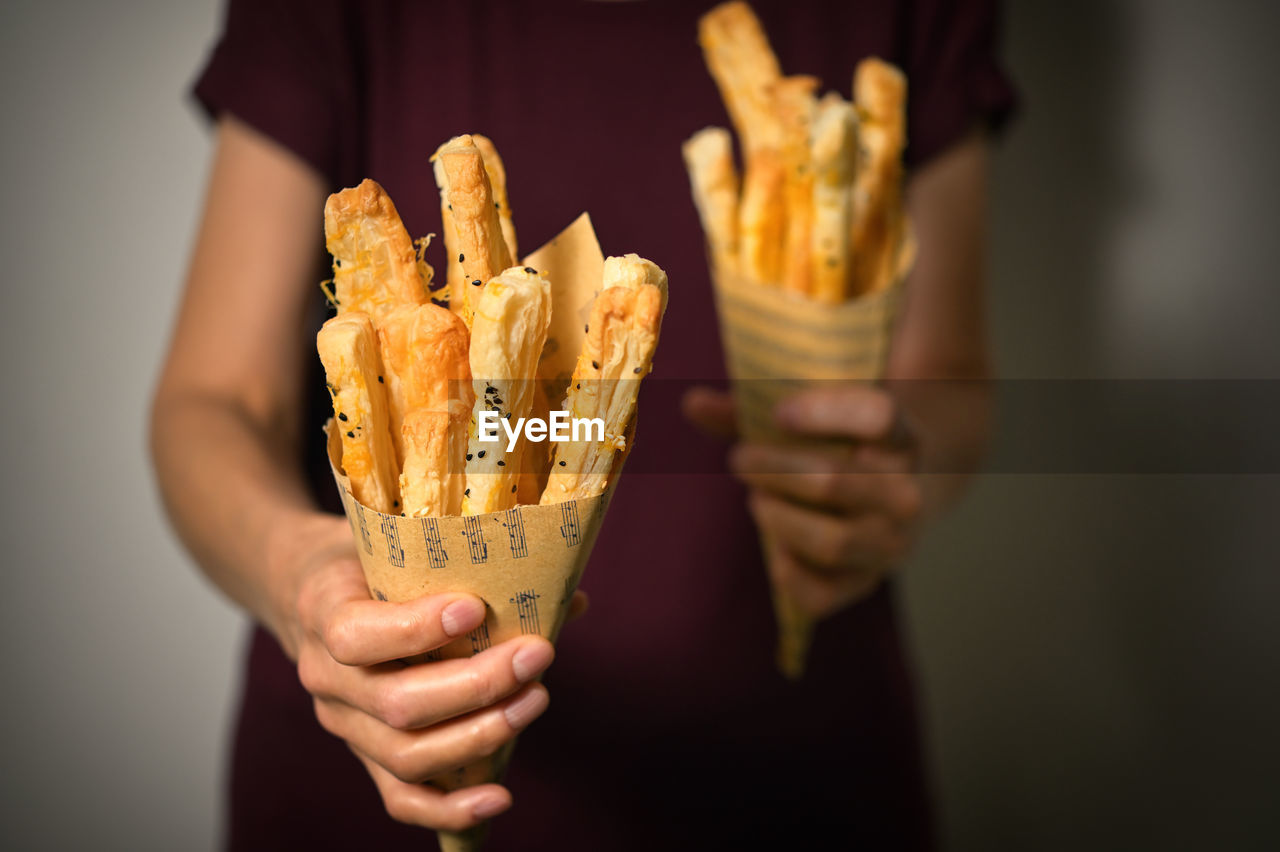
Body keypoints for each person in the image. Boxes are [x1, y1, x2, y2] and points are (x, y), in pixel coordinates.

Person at [150, 1, 1015, 848]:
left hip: (784, 777)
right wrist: (298, 571)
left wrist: (901, 468)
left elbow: (949, 377)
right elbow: (214, 399)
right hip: (362, 772)